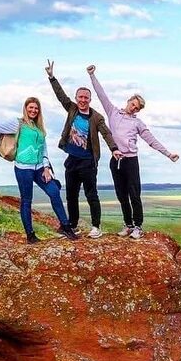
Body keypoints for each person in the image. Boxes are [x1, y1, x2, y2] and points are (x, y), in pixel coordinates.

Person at [0, 97, 78, 243]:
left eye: (36, 108)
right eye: (30, 107)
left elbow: (43, 149)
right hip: (23, 169)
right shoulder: (17, 123)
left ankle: (65, 226)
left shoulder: (39, 128)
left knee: (54, 191)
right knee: (27, 200)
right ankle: (30, 235)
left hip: (40, 168)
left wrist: (46, 168)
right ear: (25, 108)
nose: (33, 110)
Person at [87, 65, 179, 239]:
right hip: (116, 161)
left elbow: (151, 140)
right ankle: (128, 225)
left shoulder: (138, 123)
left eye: (137, 108)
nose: (133, 108)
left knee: (134, 194)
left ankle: (138, 226)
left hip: (131, 161)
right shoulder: (113, 112)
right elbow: (101, 94)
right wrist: (92, 75)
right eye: (133, 104)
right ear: (128, 101)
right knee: (121, 195)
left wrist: (168, 154)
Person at [44, 59, 122, 239]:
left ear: (90, 99)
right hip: (72, 159)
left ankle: (96, 226)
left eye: (86, 97)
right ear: (77, 98)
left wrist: (114, 148)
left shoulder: (97, 117)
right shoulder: (71, 108)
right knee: (71, 195)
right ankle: (72, 225)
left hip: (88, 162)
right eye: (80, 97)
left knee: (91, 194)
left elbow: (106, 133)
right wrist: (52, 77)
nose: (83, 100)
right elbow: (61, 96)